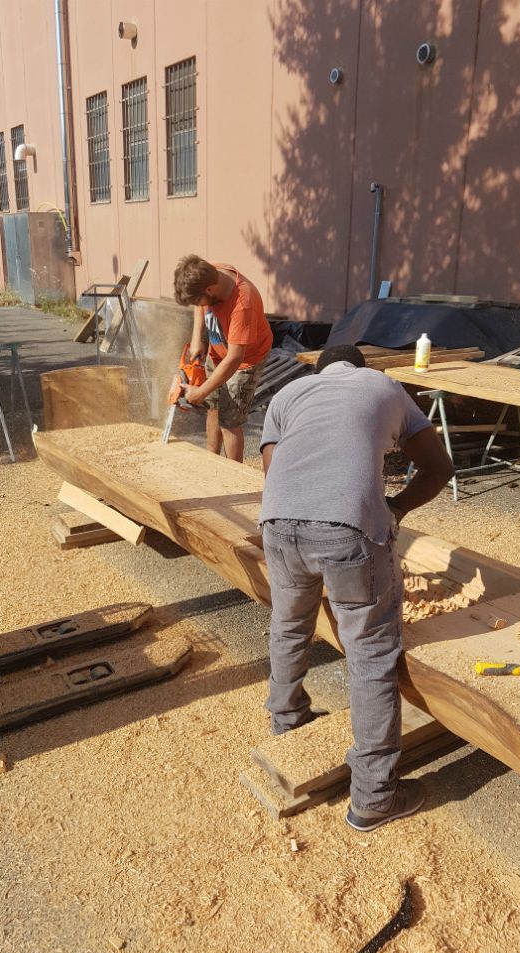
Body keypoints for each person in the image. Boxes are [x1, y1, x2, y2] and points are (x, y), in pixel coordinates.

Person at [259, 344, 454, 832]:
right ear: (359, 370)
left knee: (288, 623)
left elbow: (272, 469)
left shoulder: (290, 392)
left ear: (321, 371)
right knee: (369, 655)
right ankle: (373, 797)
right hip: (348, 531)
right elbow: (439, 467)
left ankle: (287, 719)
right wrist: (395, 508)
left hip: (277, 525)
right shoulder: (384, 387)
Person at [173, 255, 272, 463]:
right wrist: (197, 338)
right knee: (213, 407)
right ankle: (212, 462)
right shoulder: (210, 272)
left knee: (229, 421)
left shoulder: (242, 303)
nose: (198, 304)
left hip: (244, 361)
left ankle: (233, 477)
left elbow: (235, 359)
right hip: (218, 352)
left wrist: (200, 391)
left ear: (209, 290)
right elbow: (199, 305)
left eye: (198, 299)